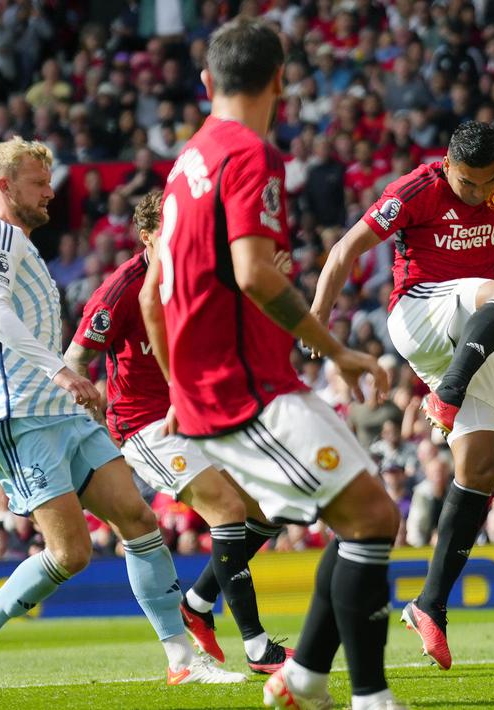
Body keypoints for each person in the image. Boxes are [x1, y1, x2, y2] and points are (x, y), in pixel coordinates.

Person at [137, 19, 401, 710]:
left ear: (206, 83)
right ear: (280, 80)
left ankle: (305, 678)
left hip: (221, 389)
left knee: (360, 516)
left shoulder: (185, 161)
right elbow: (254, 273)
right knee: (372, 517)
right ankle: (367, 698)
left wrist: (174, 387)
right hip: (241, 391)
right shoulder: (251, 155)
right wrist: (334, 346)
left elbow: (152, 296)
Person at [0, 138, 242, 688]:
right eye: (37, 183)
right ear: (4, 187)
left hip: (58, 411)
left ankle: (181, 659)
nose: (50, 192)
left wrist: (64, 386)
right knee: (69, 554)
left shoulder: (18, 241)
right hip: (19, 414)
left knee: (140, 523)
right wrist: (65, 372)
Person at [309, 120, 494, 671]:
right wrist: (316, 325)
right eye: (466, 183)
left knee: (479, 472)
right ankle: (445, 397)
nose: (476, 193)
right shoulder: (415, 190)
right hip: (420, 312)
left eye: (484, 184)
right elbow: (344, 250)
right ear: (447, 163)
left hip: (472, 330)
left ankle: (430, 606)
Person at [64, 191, 290, 673]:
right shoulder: (120, 291)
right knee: (226, 510)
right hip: (144, 421)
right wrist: (82, 392)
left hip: (197, 411)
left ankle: (198, 602)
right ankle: (257, 646)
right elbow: (75, 357)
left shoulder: (199, 271)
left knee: (273, 507)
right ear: (147, 238)